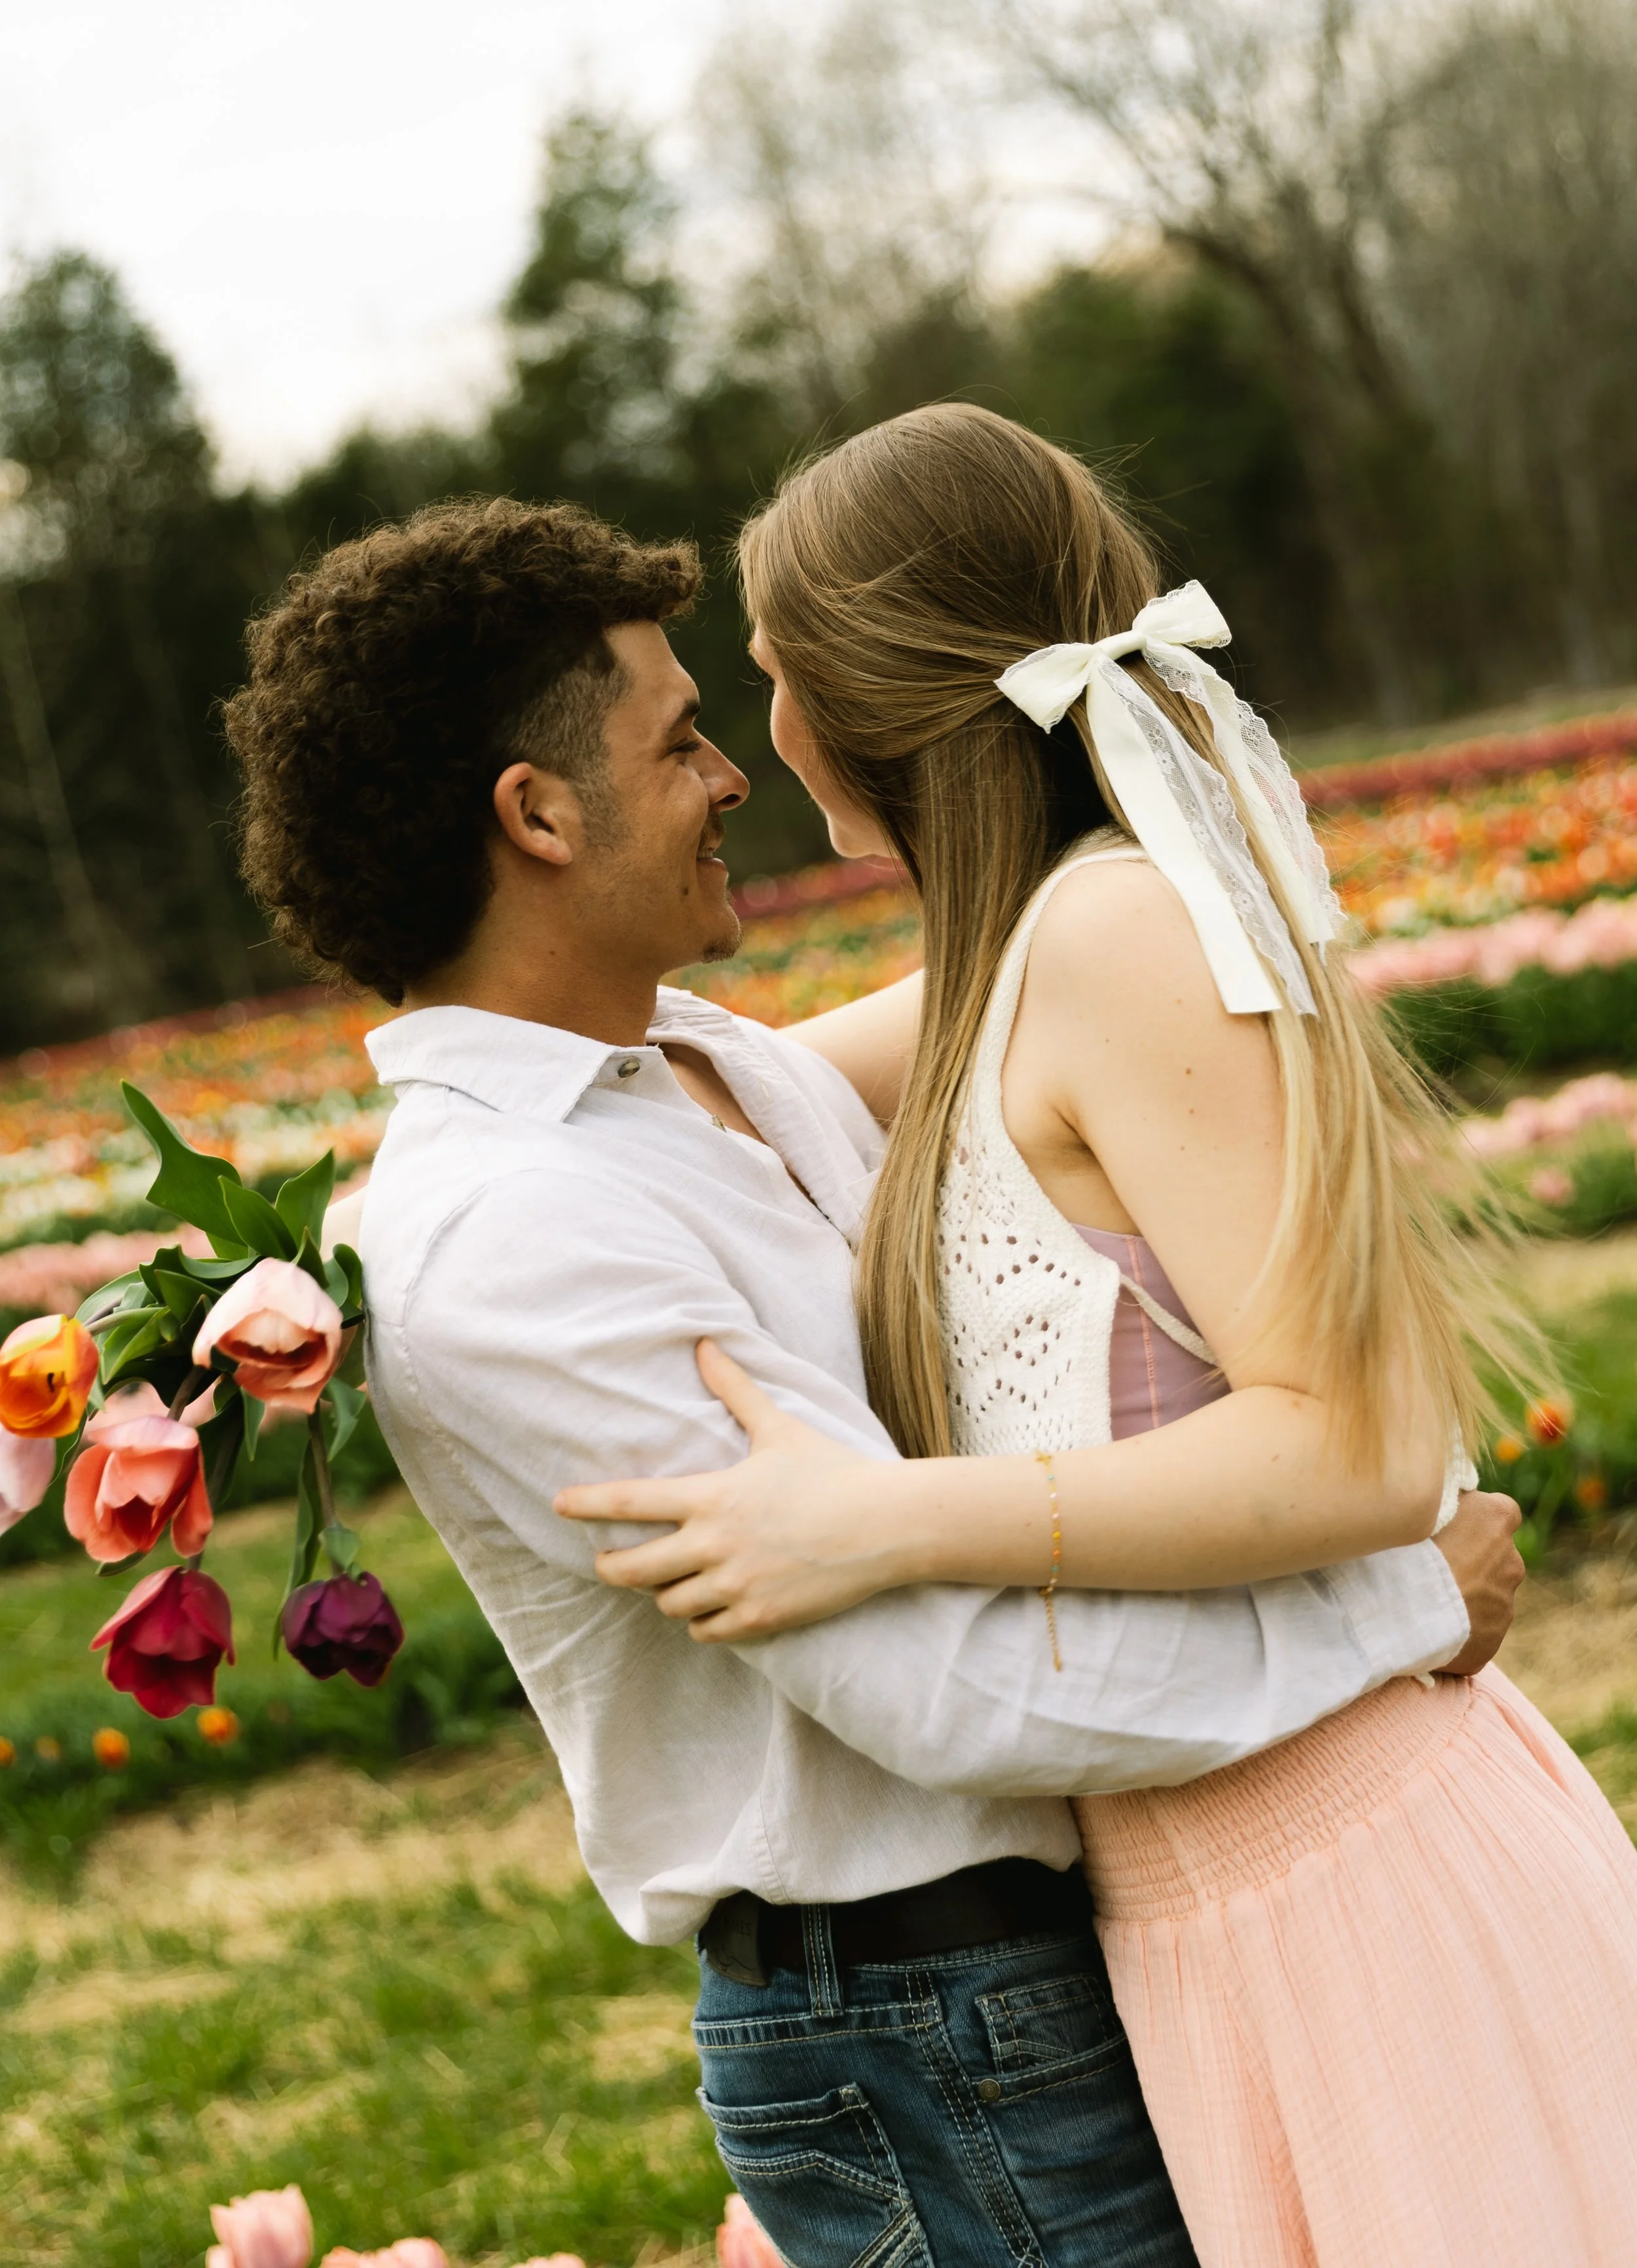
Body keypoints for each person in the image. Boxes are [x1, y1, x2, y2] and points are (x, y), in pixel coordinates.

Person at [225, 493, 1520, 2268]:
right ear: (533, 813)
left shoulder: (699, 1070)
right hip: (915, 2013)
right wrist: (1387, 1611)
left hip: (1009, 1966)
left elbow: (1033, 967)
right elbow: (938, 1684)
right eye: (680, 738)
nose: (732, 775)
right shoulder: (521, 1234)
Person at [559, 407, 1637, 2268]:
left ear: (858, 690)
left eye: (766, 679)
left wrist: (885, 1523)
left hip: (1357, 1879)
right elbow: (653, 1139)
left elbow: (1357, 1443)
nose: (757, 742)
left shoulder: (1114, 936)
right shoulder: (995, 972)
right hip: (1198, 1914)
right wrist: (282, 1300)